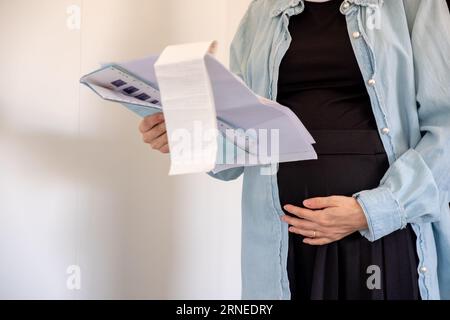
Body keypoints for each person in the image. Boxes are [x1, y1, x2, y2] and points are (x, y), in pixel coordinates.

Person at [139, 0, 450, 300]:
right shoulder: (263, 11)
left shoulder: (412, 4)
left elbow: (445, 129)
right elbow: (241, 136)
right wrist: (189, 136)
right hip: (284, 243)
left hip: (379, 234)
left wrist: (371, 212)